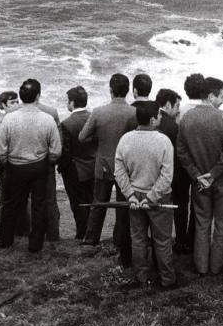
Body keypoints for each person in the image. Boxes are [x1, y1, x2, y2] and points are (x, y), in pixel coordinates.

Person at [114, 101, 176, 290]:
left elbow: (119, 171)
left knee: (138, 239)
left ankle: (141, 277)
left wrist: (130, 195)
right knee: (163, 240)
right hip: (160, 197)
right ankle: (167, 279)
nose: (160, 117)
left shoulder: (125, 139)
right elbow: (167, 176)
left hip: (135, 196)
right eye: (158, 115)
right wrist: (152, 197)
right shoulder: (164, 141)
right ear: (151, 119)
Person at [0, 79, 61, 253]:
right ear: (38, 96)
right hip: (39, 166)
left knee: (11, 205)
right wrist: (48, 161)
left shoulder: (9, 119)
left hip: (15, 166)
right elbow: (56, 150)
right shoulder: (47, 119)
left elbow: (0, 148)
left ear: (21, 97)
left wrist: (5, 162)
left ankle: (6, 240)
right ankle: (35, 244)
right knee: (39, 205)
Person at [176, 76, 223, 276]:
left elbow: (181, 151)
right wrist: (215, 173)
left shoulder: (187, 118)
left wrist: (197, 175)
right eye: (221, 96)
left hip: (199, 182)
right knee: (222, 224)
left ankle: (201, 267)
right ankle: (216, 266)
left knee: (202, 223)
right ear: (211, 96)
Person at [78, 73, 137, 267]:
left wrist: (98, 143)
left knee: (99, 202)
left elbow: (82, 137)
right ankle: (119, 240)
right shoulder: (133, 113)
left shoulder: (99, 111)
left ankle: (91, 238)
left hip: (103, 162)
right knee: (123, 203)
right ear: (128, 91)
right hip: (125, 164)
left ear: (110, 90)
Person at [58, 86, 96, 240]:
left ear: (72, 103)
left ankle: (82, 233)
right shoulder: (94, 117)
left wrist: (61, 168)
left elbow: (65, 152)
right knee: (91, 202)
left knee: (78, 204)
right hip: (93, 166)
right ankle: (92, 233)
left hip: (75, 169)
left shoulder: (66, 123)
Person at [0, 91, 27, 237]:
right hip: (6, 165)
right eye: (12, 102)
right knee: (7, 200)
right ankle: (7, 233)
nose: (17, 104)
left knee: (19, 198)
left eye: (17, 101)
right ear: (3, 105)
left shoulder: (11, 117)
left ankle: (19, 231)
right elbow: (3, 145)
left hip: (13, 163)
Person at [156, 88, 191, 253]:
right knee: (180, 208)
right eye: (177, 106)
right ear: (168, 104)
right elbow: (180, 153)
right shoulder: (173, 126)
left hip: (156, 175)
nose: (178, 110)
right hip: (176, 174)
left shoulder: (152, 120)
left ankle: (159, 241)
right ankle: (181, 241)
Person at [35, 92, 62, 242]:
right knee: (50, 199)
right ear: (38, 94)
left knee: (29, 199)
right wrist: (52, 159)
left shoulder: (13, 113)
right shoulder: (51, 112)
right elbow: (58, 141)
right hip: (46, 162)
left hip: (21, 163)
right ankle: (53, 236)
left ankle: (29, 234)